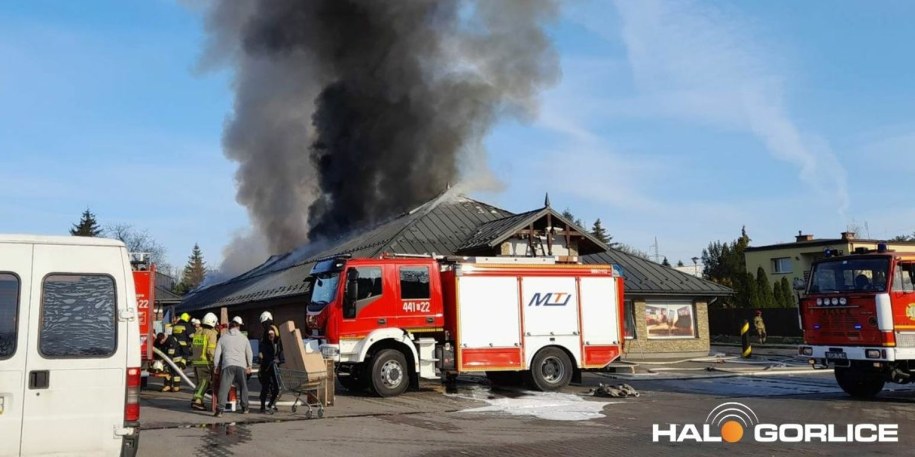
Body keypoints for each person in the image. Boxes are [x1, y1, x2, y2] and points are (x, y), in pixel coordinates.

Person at [213, 316, 253, 417]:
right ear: (238, 326)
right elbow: (249, 353)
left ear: (230, 326)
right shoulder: (244, 338)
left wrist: (216, 366)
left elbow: (217, 354)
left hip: (227, 365)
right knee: (243, 387)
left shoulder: (223, 338)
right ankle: (245, 408)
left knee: (224, 387)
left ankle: (220, 410)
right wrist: (249, 365)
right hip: (241, 365)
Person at [190, 312, 219, 411]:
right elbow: (210, 351)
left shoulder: (198, 332)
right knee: (204, 383)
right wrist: (215, 362)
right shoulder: (211, 334)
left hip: (196, 362)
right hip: (205, 362)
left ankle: (196, 399)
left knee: (199, 383)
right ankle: (197, 401)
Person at [258, 328, 280, 414]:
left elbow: (279, 354)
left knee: (277, 388)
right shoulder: (263, 344)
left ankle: (270, 404)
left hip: (274, 368)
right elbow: (263, 356)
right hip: (266, 368)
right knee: (265, 388)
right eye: (269, 334)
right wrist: (271, 360)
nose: (271, 336)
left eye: (272, 334)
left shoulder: (276, 343)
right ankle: (262, 406)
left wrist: (278, 360)